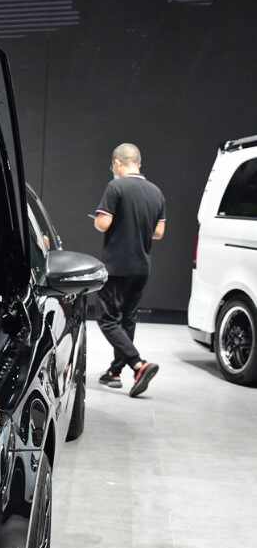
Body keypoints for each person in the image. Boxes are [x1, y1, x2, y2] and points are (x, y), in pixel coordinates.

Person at [94, 143, 166, 397]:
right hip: (142, 267)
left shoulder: (116, 187)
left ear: (117, 163)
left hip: (117, 266)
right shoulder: (156, 192)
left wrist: (99, 221)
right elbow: (159, 232)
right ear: (139, 163)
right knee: (127, 319)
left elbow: (104, 223)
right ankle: (115, 373)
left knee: (107, 319)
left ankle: (138, 364)